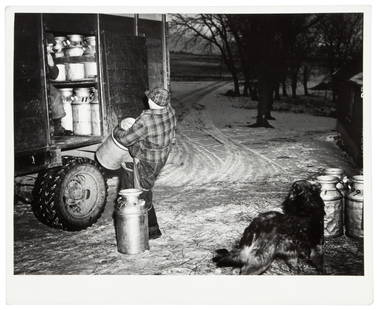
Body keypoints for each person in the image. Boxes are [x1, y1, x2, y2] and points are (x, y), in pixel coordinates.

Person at [113, 87, 177, 239]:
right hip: (160, 157)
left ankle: (145, 231)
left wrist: (118, 129)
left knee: (135, 192)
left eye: (149, 98)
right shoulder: (170, 111)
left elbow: (125, 139)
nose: (147, 99)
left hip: (145, 160)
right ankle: (150, 228)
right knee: (144, 187)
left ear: (151, 101)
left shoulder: (147, 120)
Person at [45, 33, 73, 136]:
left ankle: (57, 127)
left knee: (55, 94)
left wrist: (51, 64)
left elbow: (54, 76)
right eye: (49, 46)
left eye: (51, 46)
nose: (51, 48)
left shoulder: (49, 55)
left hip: (44, 83)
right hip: (34, 84)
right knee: (54, 94)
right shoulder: (35, 55)